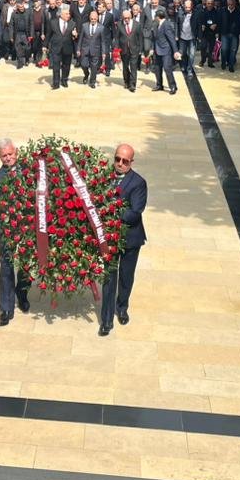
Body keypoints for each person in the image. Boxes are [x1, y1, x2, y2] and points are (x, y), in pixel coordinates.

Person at [99, 143, 147, 336]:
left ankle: (122, 307)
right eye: (117, 159)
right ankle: (107, 320)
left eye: (124, 161)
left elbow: (136, 211)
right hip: (109, 238)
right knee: (109, 277)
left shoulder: (138, 183)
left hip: (130, 238)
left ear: (131, 162)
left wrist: (110, 212)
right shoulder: (104, 177)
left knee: (126, 276)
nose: (120, 164)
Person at [0, 138, 30, 326]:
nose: (8, 158)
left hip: (27, 226)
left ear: (16, 152)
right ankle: (6, 308)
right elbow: (4, 206)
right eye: (4, 156)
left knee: (25, 263)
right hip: (8, 228)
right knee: (6, 266)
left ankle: (22, 293)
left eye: (10, 154)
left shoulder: (28, 168)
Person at [47, 4, 77, 89]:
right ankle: (56, 83)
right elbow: (48, 35)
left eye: (69, 14)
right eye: (67, 14)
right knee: (56, 66)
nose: (69, 15)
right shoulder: (53, 22)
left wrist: (75, 35)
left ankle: (64, 80)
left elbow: (75, 36)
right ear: (61, 14)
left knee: (66, 65)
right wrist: (45, 46)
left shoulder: (72, 23)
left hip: (68, 48)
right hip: (56, 47)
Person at [151, 7, 179, 94]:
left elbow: (171, 39)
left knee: (167, 68)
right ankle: (159, 85)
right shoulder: (157, 24)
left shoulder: (166, 25)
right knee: (157, 68)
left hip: (166, 50)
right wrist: (152, 48)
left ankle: (173, 86)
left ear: (158, 17)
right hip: (157, 49)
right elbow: (154, 38)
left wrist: (175, 51)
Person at [117, 7, 144, 92]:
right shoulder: (119, 24)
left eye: (128, 18)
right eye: (125, 18)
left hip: (134, 49)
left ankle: (133, 84)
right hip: (124, 49)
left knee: (133, 67)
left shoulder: (137, 24)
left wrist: (140, 49)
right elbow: (117, 38)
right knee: (125, 67)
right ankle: (126, 81)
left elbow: (140, 37)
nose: (127, 20)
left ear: (131, 16)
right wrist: (117, 49)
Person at [217, 0, 240, 72]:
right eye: (229, 4)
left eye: (232, 4)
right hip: (224, 34)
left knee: (233, 50)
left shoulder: (239, 12)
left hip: (234, 34)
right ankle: (223, 62)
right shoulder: (222, 11)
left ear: (234, 4)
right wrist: (218, 33)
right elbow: (219, 22)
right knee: (224, 49)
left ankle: (231, 65)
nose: (230, 6)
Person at [78, 9, 104, 88]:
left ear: (97, 19)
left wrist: (104, 52)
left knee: (94, 67)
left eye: (95, 19)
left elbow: (103, 41)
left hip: (96, 50)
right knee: (83, 64)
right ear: (89, 18)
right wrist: (78, 49)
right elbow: (81, 39)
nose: (93, 20)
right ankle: (86, 74)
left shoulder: (101, 27)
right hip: (85, 49)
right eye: (92, 19)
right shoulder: (84, 26)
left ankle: (92, 81)